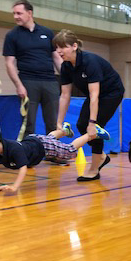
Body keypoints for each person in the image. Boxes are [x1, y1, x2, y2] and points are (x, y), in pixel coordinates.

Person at [53, 29, 124, 181]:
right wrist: (59, 122)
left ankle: (94, 169)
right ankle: (102, 157)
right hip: (96, 95)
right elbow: (65, 95)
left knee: (95, 127)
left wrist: (92, 123)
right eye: (57, 47)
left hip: (111, 92)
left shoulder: (89, 61)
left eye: (62, 47)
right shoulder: (66, 66)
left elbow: (94, 95)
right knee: (80, 125)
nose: (59, 51)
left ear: (74, 46)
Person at [0, 122, 110, 194]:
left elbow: (23, 169)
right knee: (49, 138)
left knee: (68, 152)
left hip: (41, 146)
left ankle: (92, 134)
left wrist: (15, 186)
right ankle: (64, 131)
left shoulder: (14, 149)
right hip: (33, 140)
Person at [3, 0, 63, 139]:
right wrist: (18, 85)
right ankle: (27, 153)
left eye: (19, 13)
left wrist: (66, 78)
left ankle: (53, 153)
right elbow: (9, 63)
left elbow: (56, 58)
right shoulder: (12, 36)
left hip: (50, 82)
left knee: (53, 122)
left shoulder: (47, 32)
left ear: (29, 13)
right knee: (28, 123)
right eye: (14, 14)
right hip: (28, 82)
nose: (16, 16)